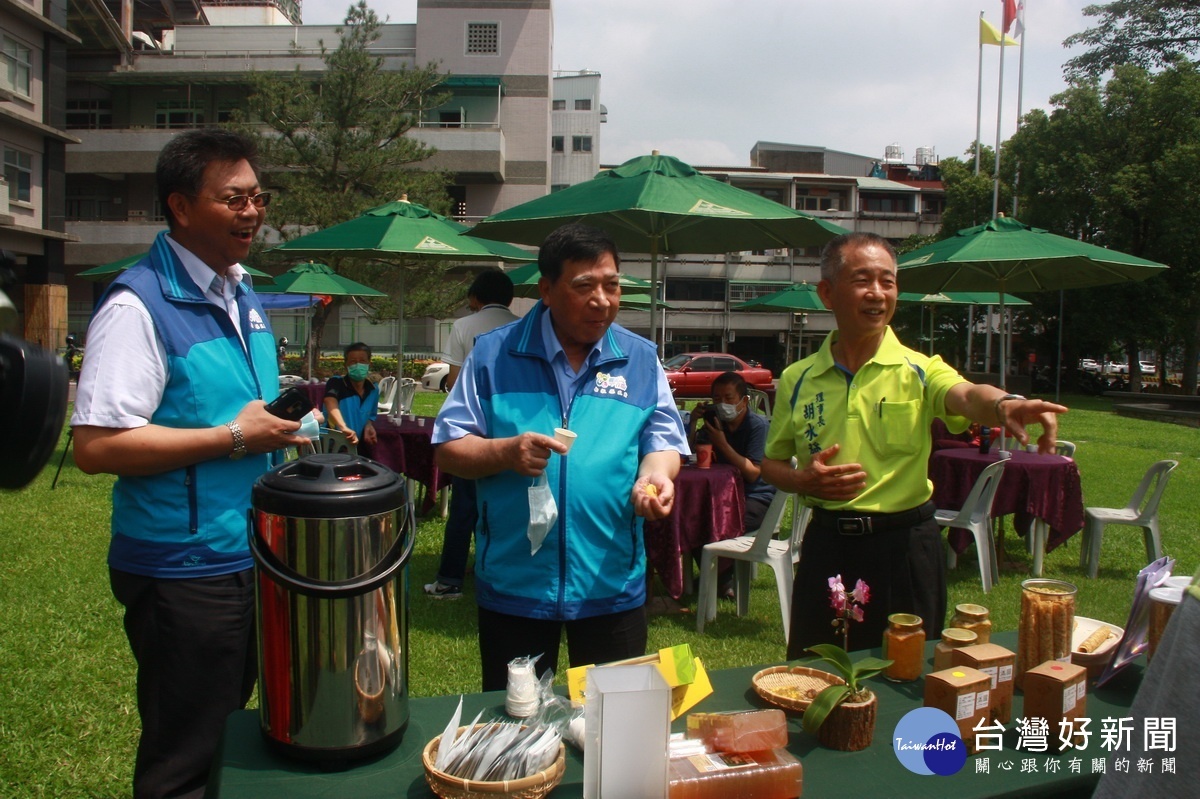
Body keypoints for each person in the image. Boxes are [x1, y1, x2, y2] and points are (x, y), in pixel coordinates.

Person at [70, 128, 311, 799]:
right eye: (233, 199)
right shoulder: (136, 304)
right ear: (180, 207)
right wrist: (235, 435)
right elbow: (95, 446)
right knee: (186, 755)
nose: (253, 211)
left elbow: (238, 409)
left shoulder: (244, 294)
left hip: (249, 553)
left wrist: (276, 426)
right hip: (182, 565)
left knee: (234, 735)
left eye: (258, 197)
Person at [761, 232, 1067, 658]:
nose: (878, 293)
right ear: (827, 293)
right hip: (828, 544)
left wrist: (1006, 404)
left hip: (903, 546)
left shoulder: (920, 370)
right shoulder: (798, 378)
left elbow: (965, 395)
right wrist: (802, 480)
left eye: (888, 281)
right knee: (815, 671)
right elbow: (771, 464)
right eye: (863, 280)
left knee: (905, 672)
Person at [433, 222, 689, 691]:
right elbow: (449, 448)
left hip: (610, 581)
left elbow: (663, 440)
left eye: (612, 285)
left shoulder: (639, 358)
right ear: (546, 290)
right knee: (517, 728)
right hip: (516, 586)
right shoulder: (493, 355)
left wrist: (655, 477)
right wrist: (503, 451)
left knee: (615, 726)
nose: (603, 300)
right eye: (585, 286)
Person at [424, 269, 520, 599]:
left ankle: (450, 580)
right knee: (507, 503)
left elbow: (452, 383)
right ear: (509, 298)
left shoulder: (464, 326)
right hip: (514, 428)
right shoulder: (523, 326)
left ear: (475, 299)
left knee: (465, 507)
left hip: (473, 433)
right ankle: (493, 569)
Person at [687, 371, 777, 597]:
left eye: (729, 398)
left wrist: (723, 444)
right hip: (722, 495)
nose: (723, 404)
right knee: (695, 518)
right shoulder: (716, 422)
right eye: (717, 399)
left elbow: (753, 474)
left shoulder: (757, 426)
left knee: (714, 522)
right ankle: (718, 579)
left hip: (755, 497)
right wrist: (695, 422)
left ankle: (720, 581)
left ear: (744, 401)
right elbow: (689, 454)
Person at [323, 342, 379, 447]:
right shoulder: (336, 383)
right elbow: (330, 401)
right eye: (353, 362)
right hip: (333, 444)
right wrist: (343, 427)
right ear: (346, 365)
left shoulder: (373, 389)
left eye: (362, 361)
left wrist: (368, 425)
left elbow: (369, 416)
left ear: (369, 364)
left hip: (358, 444)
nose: (358, 365)